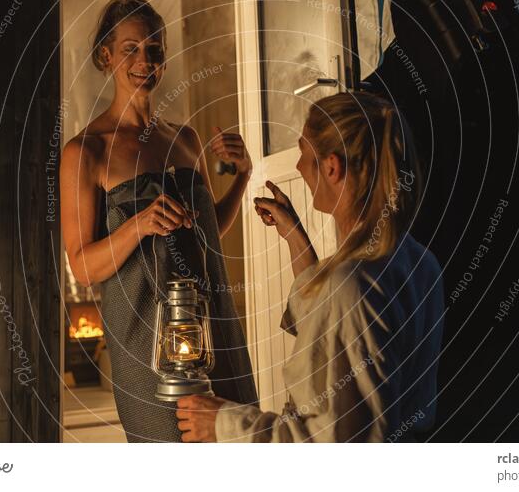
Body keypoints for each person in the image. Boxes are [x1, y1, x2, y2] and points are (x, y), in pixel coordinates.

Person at [176, 91, 445, 442]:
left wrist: (224, 423)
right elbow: (332, 332)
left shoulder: (350, 286)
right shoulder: (418, 262)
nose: (299, 166)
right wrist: (295, 237)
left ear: (331, 166)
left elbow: (333, 445)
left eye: (303, 152)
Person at [59, 0, 258, 442]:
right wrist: (137, 224)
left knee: (238, 448)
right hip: (146, 344)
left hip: (214, 328)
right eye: (131, 48)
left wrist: (243, 178)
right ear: (106, 57)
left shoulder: (184, 138)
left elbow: (204, 233)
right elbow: (82, 266)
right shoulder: (85, 151)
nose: (145, 59)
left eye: (154, 48)